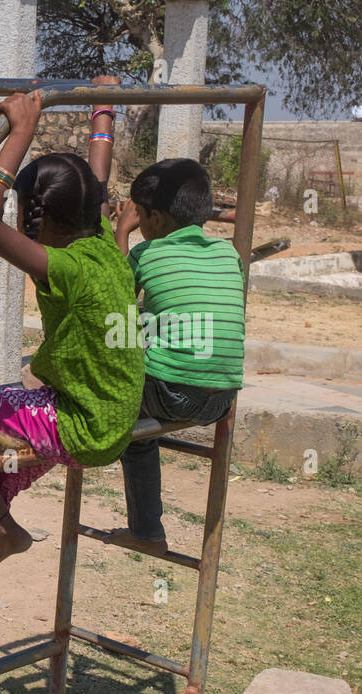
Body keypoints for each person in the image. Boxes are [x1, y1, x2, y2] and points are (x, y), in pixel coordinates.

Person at [0, 89, 143, 641]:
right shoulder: (107, 245)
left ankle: (5, 527)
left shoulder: (63, 267)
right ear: (95, 210)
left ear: (37, 218)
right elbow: (96, 179)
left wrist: (20, 135)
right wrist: (102, 117)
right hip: (110, 417)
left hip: (77, 423)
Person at [107, 157, 246, 554]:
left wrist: (121, 232)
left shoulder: (147, 254)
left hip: (170, 391)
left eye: (139, 215)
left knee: (134, 427)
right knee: (151, 336)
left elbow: (114, 297)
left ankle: (147, 532)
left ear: (156, 218)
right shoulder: (227, 254)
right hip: (222, 398)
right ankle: (148, 530)